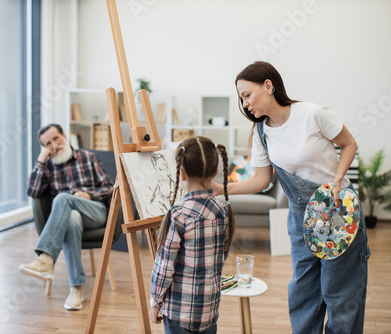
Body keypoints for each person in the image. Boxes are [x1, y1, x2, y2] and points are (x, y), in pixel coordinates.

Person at [213, 61, 370, 333]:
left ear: (268, 85)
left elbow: (348, 143)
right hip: (300, 218)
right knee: (303, 292)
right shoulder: (261, 132)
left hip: (336, 211)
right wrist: (222, 190)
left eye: (247, 95)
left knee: (339, 293)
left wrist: (336, 181)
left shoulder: (312, 114)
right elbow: (261, 180)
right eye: (241, 99)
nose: (245, 104)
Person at [19, 124, 113, 310]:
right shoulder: (47, 167)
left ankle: (46, 259)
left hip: (95, 212)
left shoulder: (88, 157)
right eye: (48, 144)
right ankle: (75, 289)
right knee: (72, 218)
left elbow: (109, 187)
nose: (54, 145)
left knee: (63, 198)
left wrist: (89, 195)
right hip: (70, 218)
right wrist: (40, 160)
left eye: (56, 138)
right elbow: (32, 191)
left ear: (64, 135)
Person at [150, 136, 235, 334]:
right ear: (215, 171)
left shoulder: (179, 215)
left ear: (181, 173)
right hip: (209, 311)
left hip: (180, 313)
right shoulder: (222, 211)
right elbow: (220, 256)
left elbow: (164, 267)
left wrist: (155, 301)